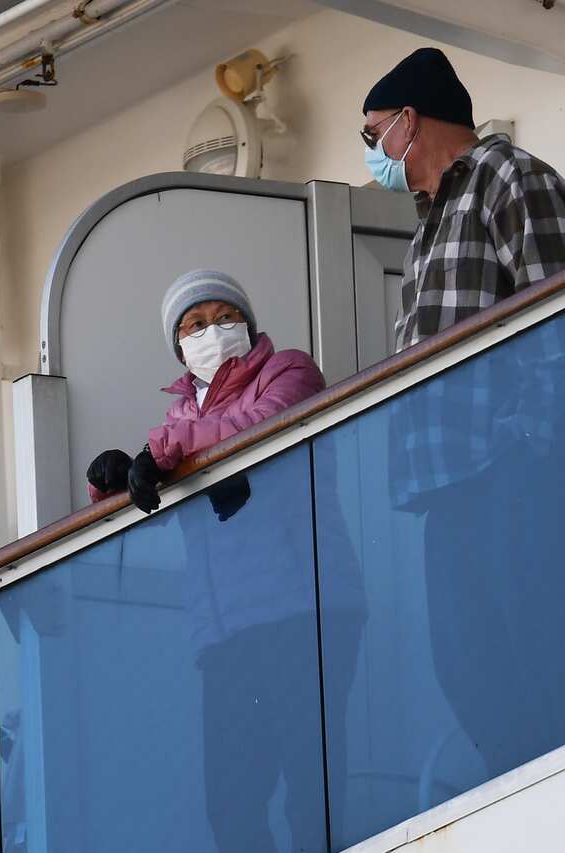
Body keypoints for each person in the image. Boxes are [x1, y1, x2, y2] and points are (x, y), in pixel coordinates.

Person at [362, 49, 565, 775]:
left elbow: (559, 316)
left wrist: (532, 449)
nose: (377, 157)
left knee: (547, 645)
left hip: (514, 468)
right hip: (453, 486)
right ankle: (536, 794)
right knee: (465, 661)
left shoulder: (510, 177)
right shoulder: (427, 226)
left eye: (375, 134)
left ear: (411, 119)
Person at [85, 269, 364, 852]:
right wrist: (112, 478)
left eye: (221, 317)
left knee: (311, 788)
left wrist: (159, 455)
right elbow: (159, 468)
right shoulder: (180, 419)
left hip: (303, 609)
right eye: (193, 325)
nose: (210, 331)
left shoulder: (288, 370)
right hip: (224, 631)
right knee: (231, 804)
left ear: (247, 322)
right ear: (179, 348)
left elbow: (254, 427)